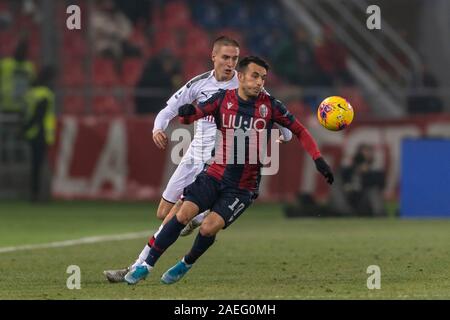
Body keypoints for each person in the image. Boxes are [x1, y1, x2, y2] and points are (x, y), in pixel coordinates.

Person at [123, 55, 334, 285]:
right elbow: (194, 115)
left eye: (263, 78)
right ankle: (146, 265)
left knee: (208, 228)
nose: (259, 82)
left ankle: (186, 263)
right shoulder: (222, 99)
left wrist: (318, 159)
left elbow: (300, 130)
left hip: (243, 187)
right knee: (182, 214)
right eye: (254, 76)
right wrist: (185, 113)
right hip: (214, 174)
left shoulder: (270, 106)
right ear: (240, 77)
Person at [104, 37, 293, 282]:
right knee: (163, 212)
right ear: (213, 57)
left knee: (176, 216)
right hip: (193, 155)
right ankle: (197, 217)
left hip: (218, 162)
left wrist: (284, 135)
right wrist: (157, 128)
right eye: (225, 57)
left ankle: (137, 266)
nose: (230, 63)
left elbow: (278, 115)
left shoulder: (247, 83)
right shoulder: (198, 84)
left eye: (234, 58)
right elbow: (169, 109)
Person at [23, 66, 56, 202]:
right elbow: (39, 115)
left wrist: (24, 129)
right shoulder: (45, 94)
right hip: (41, 133)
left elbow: (27, 112)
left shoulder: (30, 93)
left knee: (35, 165)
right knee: (39, 165)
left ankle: (35, 193)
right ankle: (37, 194)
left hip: (32, 134)